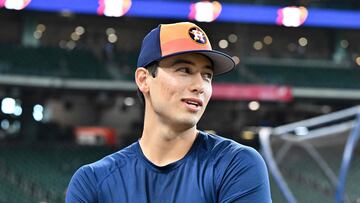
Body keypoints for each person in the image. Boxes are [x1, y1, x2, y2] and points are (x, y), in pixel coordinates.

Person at [66, 22, 272, 203]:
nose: (200, 85)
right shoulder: (92, 181)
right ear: (144, 79)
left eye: (207, 75)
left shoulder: (236, 165)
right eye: (184, 70)